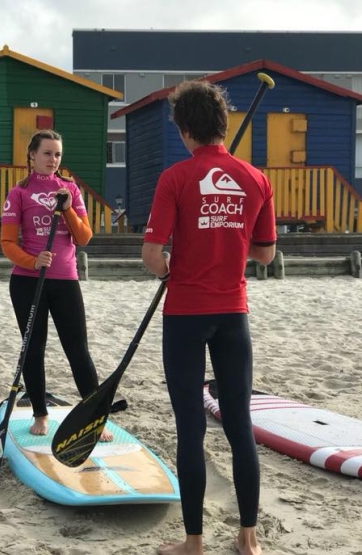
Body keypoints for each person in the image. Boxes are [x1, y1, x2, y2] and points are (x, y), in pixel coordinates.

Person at [141, 81, 276, 555]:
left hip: (184, 315)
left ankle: (194, 543)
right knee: (240, 426)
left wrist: (173, 265)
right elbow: (265, 254)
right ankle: (248, 539)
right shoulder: (256, 179)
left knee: (191, 429)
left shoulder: (174, 178)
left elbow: (152, 255)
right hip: (232, 314)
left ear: (184, 130)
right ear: (223, 125)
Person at [0, 129, 111, 441]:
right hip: (27, 281)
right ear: (32, 155)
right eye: (47, 153)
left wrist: (68, 210)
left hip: (65, 280)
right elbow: (7, 242)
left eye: (58, 154)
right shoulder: (18, 193)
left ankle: (92, 415)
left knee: (78, 349)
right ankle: (39, 413)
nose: (53, 159)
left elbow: (85, 237)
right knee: (33, 349)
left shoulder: (70, 190)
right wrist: (32, 261)